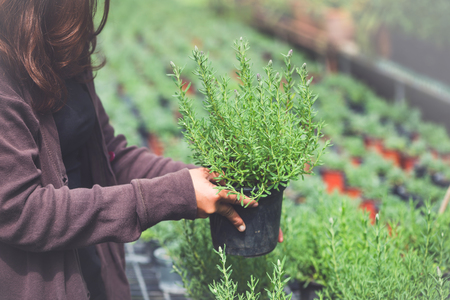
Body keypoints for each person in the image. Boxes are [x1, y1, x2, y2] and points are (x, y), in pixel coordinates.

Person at [0, 1, 261, 299]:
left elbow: (110, 155)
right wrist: (173, 195)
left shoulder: (61, 49)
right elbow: (23, 212)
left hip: (91, 262)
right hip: (38, 284)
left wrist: (206, 181)